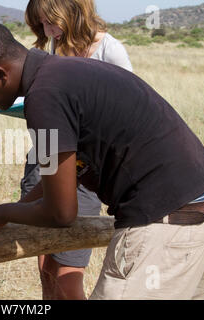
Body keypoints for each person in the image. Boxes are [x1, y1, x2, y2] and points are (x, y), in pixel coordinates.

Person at [0, 21, 204, 300]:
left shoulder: (42, 99)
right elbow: (60, 174)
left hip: (166, 230)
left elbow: (61, 213)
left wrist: (1, 212)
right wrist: (15, 212)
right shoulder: (65, 72)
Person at [23, 0, 132, 299]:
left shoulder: (111, 50)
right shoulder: (55, 46)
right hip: (44, 153)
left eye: (51, 22)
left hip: (84, 164)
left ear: (72, 11)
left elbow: (127, 112)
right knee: (44, 263)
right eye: (41, 24)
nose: (47, 31)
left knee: (68, 272)